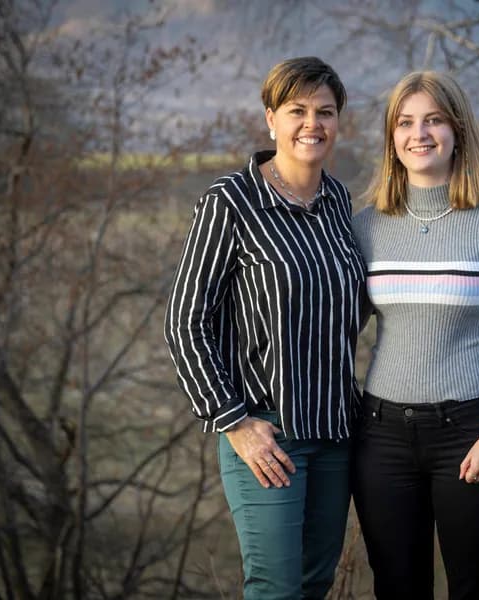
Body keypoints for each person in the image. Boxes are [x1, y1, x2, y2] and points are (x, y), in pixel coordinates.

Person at [164, 57, 366, 600]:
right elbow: (185, 321)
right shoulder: (230, 202)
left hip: (336, 433)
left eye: (325, 111)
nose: (312, 124)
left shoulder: (340, 203)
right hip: (267, 435)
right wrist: (233, 422)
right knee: (276, 589)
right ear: (270, 118)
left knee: (314, 583)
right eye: (297, 110)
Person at [351, 71, 479, 599]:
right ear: (392, 138)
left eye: (433, 120)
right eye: (405, 122)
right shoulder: (367, 228)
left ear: (458, 130)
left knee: (477, 587)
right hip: (381, 438)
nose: (420, 134)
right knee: (397, 587)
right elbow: (337, 328)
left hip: (471, 433)